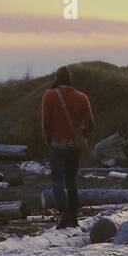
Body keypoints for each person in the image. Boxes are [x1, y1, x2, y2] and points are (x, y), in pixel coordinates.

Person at [40, 66, 93, 228]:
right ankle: (73, 215)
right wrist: (82, 135)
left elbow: (45, 122)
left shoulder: (49, 95)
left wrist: (48, 140)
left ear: (57, 77)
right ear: (70, 79)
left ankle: (65, 213)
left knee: (57, 180)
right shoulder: (82, 97)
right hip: (74, 146)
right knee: (71, 181)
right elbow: (91, 123)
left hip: (57, 144)